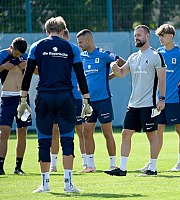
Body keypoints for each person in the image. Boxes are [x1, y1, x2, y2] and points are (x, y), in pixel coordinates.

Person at [17, 16, 92, 193]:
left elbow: (27, 74)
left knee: (44, 140)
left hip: (44, 97)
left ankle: (45, 184)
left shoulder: (37, 46)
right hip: (66, 97)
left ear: (46, 31)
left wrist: (22, 99)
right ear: (62, 31)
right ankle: (68, 184)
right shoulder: (72, 48)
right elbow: (81, 76)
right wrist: (87, 100)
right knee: (67, 139)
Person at [136, 24, 180, 172]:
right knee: (157, 131)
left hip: (174, 99)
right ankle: (152, 163)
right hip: (159, 101)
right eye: (159, 36)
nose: (160, 38)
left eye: (163, 35)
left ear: (171, 36)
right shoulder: (157, 53)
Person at [104, 25, 166, 177]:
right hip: (133, 104)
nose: (136, 38)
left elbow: (162, 80)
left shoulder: (155, 55)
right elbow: (120, 74)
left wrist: (162, 99)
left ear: (147, 36)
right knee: (125, 134)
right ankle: (122, 169)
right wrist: (113, 64)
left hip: (149, 104)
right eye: (135, 36)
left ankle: (152, 168)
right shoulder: (133, 57)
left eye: (139, 35)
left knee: (152, 136)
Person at [76, 29, 125, 172]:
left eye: (80, 42)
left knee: (107, 132)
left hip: (103, 100)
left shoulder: (104, 54)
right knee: (87, 131)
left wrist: (110, 76)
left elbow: (122, 63)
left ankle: (112, 164)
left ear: (88, 41)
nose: (79, 45)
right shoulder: (82, 57)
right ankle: (90, 165)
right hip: (88, 102)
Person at [49, 29, 87, 172]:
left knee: (79, 129)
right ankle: (53, 164)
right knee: (55, 129)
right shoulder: (51, 52)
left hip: (74, 97)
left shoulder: (74, 51)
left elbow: (81, 73)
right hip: (57, 96)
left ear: (66, 37)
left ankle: (85, 162)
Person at [0, 37, 30, 175]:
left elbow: (36, 70)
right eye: (16, 54)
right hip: (7, 98)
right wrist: (3, 67)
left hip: (22, 99)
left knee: (22, 132)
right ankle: (0, 166)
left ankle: (18, 167)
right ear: (11, 47)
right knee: (3, 133)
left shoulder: (26, 57)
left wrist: (28, 66)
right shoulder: (2, 55)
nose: (18, 56)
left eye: (20, 54)